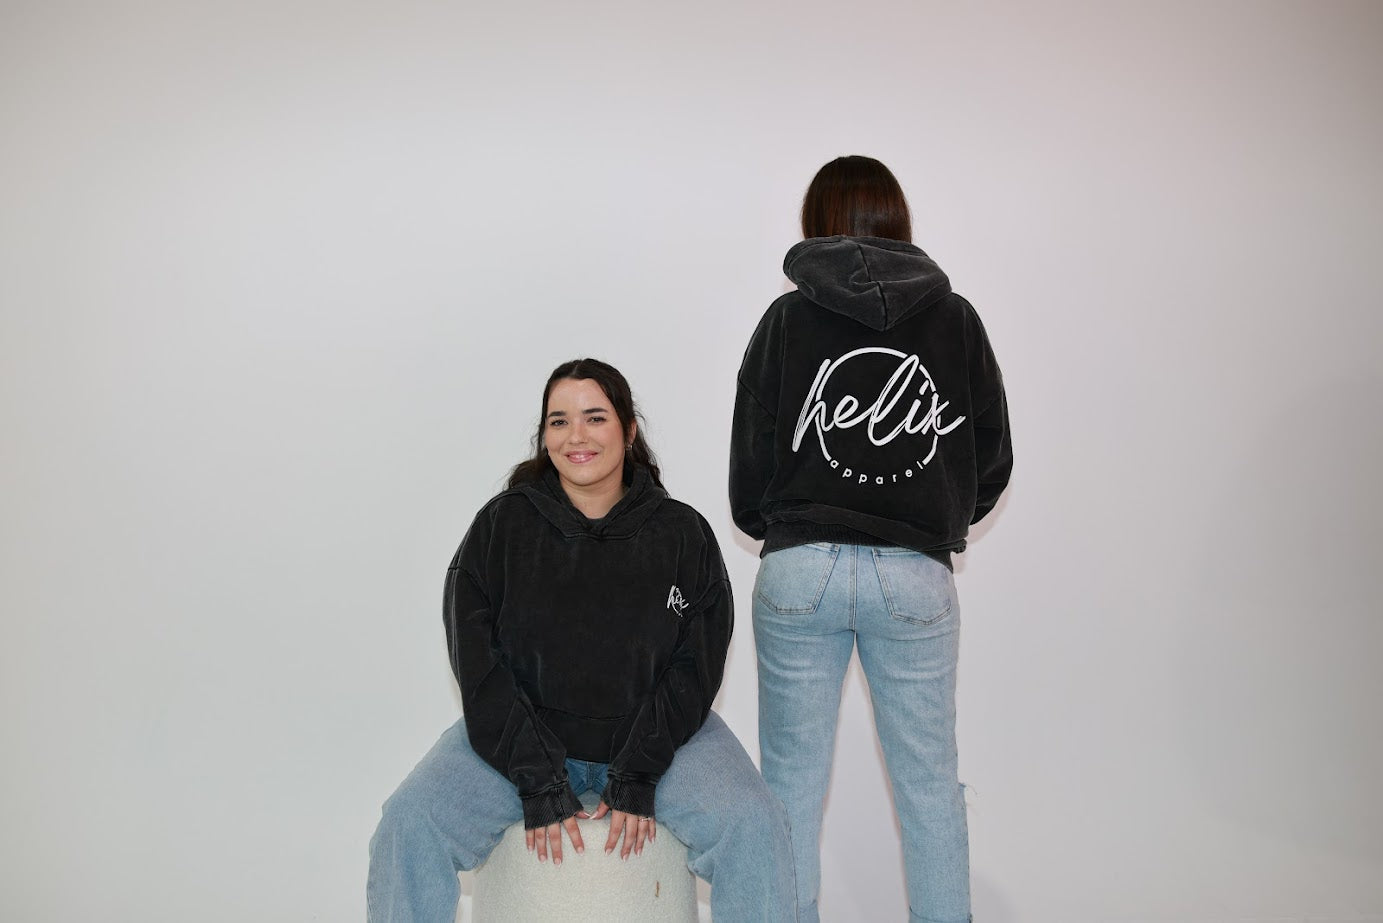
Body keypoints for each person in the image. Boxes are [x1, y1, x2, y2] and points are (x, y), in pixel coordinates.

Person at [369, 358, 796, 922]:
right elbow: (476, 662)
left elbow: (696, 665)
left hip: (660, 739)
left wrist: (638, 771)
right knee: (408, 823)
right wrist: (537, 778)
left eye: (595, 418)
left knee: (756, 825)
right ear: (544, 436)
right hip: (522, 735)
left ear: (628, 429)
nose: (577, 436)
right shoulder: (501, 527)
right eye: (559, 421)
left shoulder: (681, 532)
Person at [730, 156, 1013, 923]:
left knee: (788, 786)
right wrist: (937, 520)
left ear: (815, 224)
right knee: (928, 786)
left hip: (799, 568)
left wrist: (780, 527)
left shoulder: (784, 321)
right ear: (897, 219)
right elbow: (991, 454)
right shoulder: (954, 320)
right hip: (913, 572)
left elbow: (749, 458)